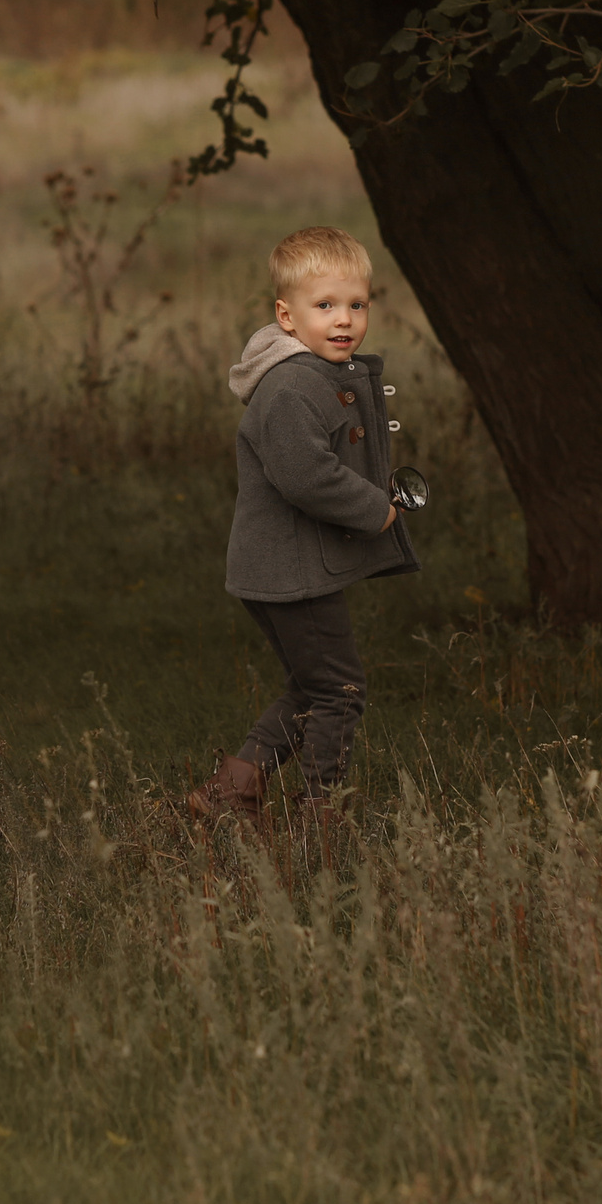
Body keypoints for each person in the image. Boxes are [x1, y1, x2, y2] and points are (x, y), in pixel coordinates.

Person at [187, 226, 418, 826]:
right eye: (325, 306)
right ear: (286, 317)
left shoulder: (317, 376)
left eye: (356, 304)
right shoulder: (291, 387)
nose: (344, 320)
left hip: (287, 567)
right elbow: (305, 476)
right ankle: (319, 818)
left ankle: (224, 801)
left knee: (311, 690)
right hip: (290, 573)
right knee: (340, 694)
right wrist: (377, 508)